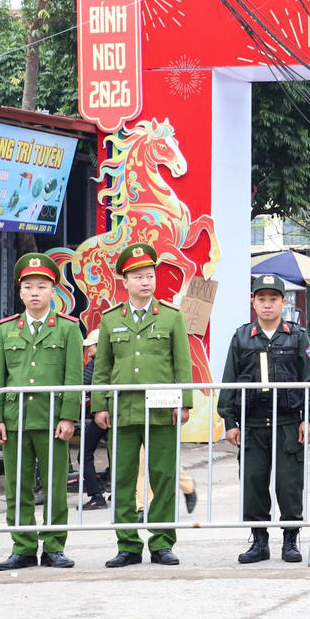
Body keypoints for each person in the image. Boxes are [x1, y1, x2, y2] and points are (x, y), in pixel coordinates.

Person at [92, 243, 193, 568]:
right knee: (122, 478)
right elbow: (103, 367)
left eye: (149, 275)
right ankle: (128, 545)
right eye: (138, 276)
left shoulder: (171, 316)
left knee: (162, 476)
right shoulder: (110, 320)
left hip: (163, 409)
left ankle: (163, 543)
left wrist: (185, 402)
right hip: (123, 410)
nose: (146, 282)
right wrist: (100, 405)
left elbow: (182, 363)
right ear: (125, 281)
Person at [0, 253, 83, 570]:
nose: (35, 292)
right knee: (17, 486)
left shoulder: (67, 329)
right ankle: (23, 546)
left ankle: (54, 546)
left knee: (55, 486)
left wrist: (69, 416)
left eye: (42, 286)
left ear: (53, 290)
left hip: (52, 419)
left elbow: (73, 377)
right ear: (21, 292)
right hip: (15, 421)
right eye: (29, 286)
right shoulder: (6, 329)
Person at [217, 274, 310, 564]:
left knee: (289, 484)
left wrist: (308, 418)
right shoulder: (241, 337)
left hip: (288, 423)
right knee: (253, 483)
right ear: (253, 301)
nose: (267, 304)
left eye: (273, 298)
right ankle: (259, 542)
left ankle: (290, 541)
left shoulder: (298, 336)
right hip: (252, 424)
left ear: (283, 302)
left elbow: (309, 379)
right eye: (261, 298)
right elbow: (229, 381)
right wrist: (230, 421)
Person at [79, 329, 110, 510]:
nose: (87, 348)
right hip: (115, 413)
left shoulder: (94, 364)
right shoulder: (112, 363)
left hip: (101, 415)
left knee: (84, 453)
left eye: (90, 344)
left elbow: (83, 384)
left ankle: (96, 496)